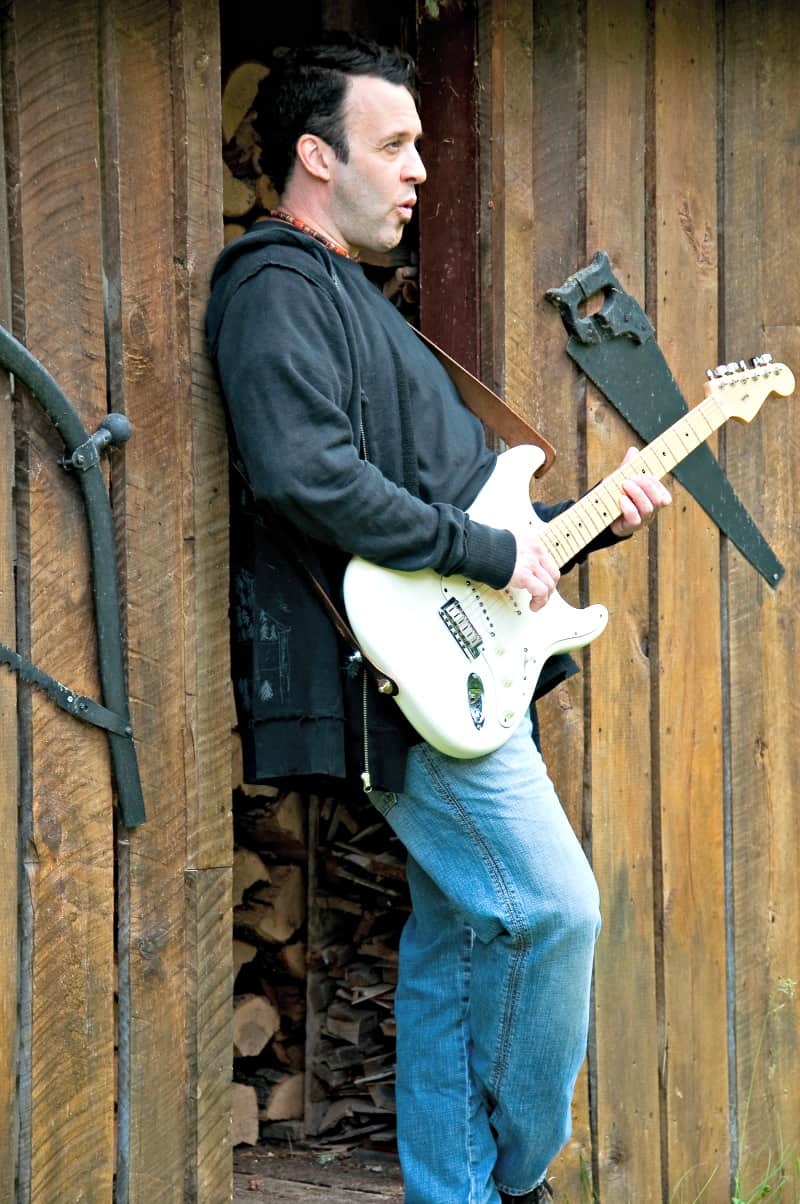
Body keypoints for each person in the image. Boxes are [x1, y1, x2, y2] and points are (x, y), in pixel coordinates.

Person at [206, 35, 671, 1204]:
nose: (418, 168)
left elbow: (463, 520)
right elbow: (303, 475)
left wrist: (583, 523)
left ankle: (449, 1192)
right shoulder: (273, 285)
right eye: (394, 143)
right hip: (393, 677)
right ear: (315, 156)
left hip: (447, 666)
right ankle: (517, 1177)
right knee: (556, 911)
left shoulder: (353, 305)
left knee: (458, 939)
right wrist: (493, 548)